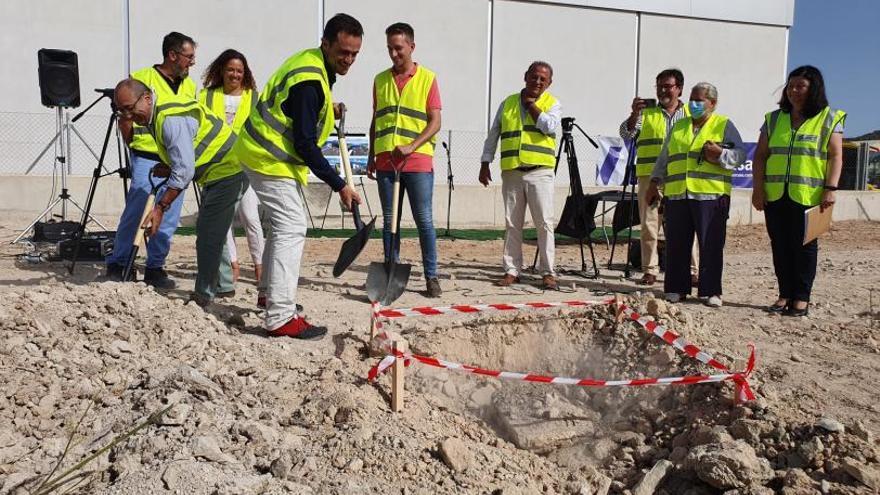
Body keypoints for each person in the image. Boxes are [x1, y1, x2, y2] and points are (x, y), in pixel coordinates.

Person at [233, 13, 363, 340]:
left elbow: (299, 109)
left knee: (283, 226)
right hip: (267, 157)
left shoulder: (313, 65)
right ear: (326, 43)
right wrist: (340, 186)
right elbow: (306, 143)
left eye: (354, 54)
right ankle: (279, 317)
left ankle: (269, 294)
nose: (348, 60)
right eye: (342, 52)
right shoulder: (310, 81)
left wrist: (327, 108)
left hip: (262, 153)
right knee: (292, 225)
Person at [113, 79, 248, 307]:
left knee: (207, 234)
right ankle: (223, 285)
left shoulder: (169, 119)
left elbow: (184, 171)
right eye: (122, 111)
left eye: (129, 108)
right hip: (218, 169)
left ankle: (204, 295)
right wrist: (169, 166)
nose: (128, 116)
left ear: (146, 98)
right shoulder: (156, 114)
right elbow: (185, 153)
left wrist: (160, 207)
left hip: (228, 168)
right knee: (214, 227)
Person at [105, 32, 198, 289]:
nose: (192, 62)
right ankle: (120, 261)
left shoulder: (189, 84)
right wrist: (133, 143)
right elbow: (125, 114)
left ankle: (155, 266)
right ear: (172, 55)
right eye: (189, 56)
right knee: (137, 208)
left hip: (176, 159)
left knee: (167, 215)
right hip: (148, 153)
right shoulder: (142, 78)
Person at [751, 66, 845, 317]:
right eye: (790, 86)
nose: (793, 91)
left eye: (800, 86)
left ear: (813, 89)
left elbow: (835, 156)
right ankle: (784, 294)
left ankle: (801, 298)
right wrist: (757, 189)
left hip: (810, 196)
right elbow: (760, 157)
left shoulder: (829, 118)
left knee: (804, 247)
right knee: (780, 246)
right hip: (775, 195)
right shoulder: (773, 119)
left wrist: (830, 188)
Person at [645, 82, 746, 308]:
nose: (694, 104)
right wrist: (654, 182)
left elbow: (739, 156)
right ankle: (676, 288)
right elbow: (665, 158)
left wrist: (720, 154)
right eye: (692, 99)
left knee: (710, 244)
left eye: (699, 100)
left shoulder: (723, 125)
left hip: (711, 196)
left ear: (712, 103)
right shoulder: (679, 127)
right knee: (677, 244)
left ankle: (711, 291)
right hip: (679, 194)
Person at [366, 22, 442, 298]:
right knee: (390, 221)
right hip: (386, 161)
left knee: (424, 220)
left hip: (417, 162)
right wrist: (372, 154)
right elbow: (376, 120)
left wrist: (412, 145)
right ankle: (390, 269)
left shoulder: (427, 78)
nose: (394, 54)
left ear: (411, 46)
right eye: (389, 48)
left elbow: (435, 122)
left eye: (398, 48)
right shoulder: (380, 80)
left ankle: (432, 277)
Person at [479, 61, 561, 290]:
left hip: (540, 172)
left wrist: (532, 106)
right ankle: (512, 270)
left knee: (544, 223)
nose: (537, 82)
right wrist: (485, 161)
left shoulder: (552, 104)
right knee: (512, 224)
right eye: (534, 77)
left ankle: (548, 272)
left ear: (549, 83)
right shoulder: (507, 103)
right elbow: (494, 133)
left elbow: (549, 126)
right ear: (525, 76)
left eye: (543, 79)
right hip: (513, 171)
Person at [620, 68, 698, 286]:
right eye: (659, 86)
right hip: (649, 177)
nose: (663, 90)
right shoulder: (647, 112)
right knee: (649, 224)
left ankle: (692, 270)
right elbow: (626, 134)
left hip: (680, 177)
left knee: (684, 226)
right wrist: (634, 113)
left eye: (668, 86)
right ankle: (650, 269)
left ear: (679, 89)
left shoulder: (691, 115)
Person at [199, 49, 265, 293]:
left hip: (245, 166)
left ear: (244, 73)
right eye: (230, 70)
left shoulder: (254, 98)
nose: (234, 74)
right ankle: (232, 265)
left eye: (239, 70)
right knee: (223, 222)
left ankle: (260, 265)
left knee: (250, 216)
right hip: (217, 167)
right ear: (221, 71)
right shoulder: (206, 97)